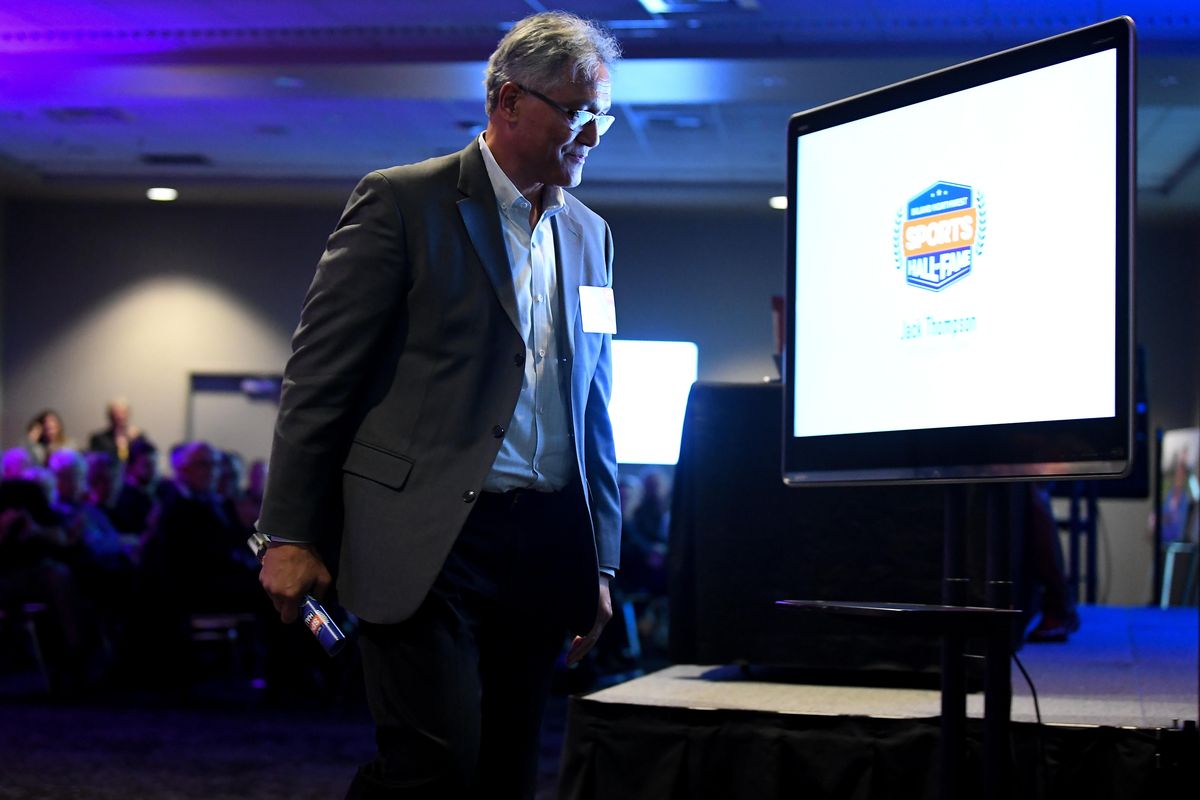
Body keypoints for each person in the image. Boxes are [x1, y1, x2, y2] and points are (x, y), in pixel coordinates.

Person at [254, 11, 622, 797]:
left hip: (543, 539)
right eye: (576, 110)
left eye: (603, 115)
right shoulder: (402, 203)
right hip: (425, 537)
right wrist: (287, 533)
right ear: (508, 100)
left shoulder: (591, 236)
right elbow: (320, 378)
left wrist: (602, 557)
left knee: (507, 771)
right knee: (437, 767)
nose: (592, 133)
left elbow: (594, 404)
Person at [87, 398, 144, 463]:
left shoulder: (138, 436)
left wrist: (135, 443)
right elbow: (98, 462)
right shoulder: (98, 439)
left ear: (128, 414)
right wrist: (122, 448)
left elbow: (146, 460)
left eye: (123, 412)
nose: (120, 416)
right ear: (110, 415)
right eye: (116, 413)